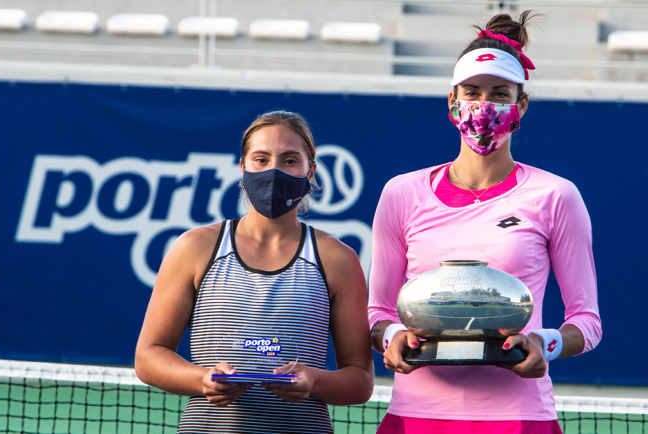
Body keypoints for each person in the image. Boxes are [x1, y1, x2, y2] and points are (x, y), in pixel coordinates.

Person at [367, 11, 602, 434]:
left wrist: (543, 344)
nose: (483, 106)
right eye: (472, 92)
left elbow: (587, 321)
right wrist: (390, 338)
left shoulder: (556, 196)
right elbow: (378, 312)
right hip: (416, 415)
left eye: (499, 94)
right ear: (452, 100)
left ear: (521, 105)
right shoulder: (401, 193)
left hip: (519, 416)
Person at [135, 110, 374, 434]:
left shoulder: (338, 260)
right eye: (261, 159)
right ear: (242, 168)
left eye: (290, 160)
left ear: (311, 171)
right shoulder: (195, 248)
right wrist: (203, 380)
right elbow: (148, 356)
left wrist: (314, 380)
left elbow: (360, 379)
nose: (274, 171)